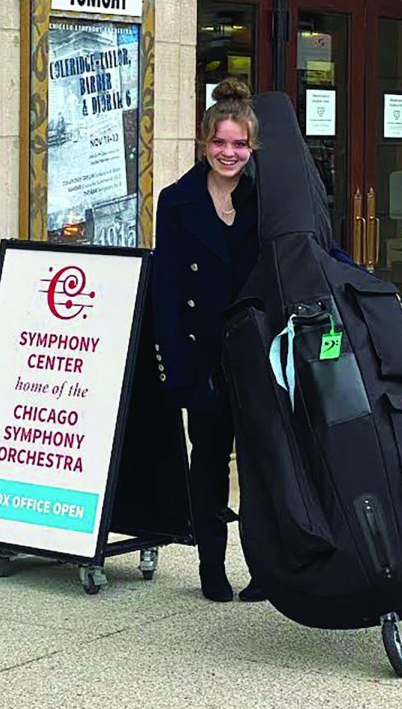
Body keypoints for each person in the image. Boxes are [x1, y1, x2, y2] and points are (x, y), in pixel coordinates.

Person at [152, 78, 265, 603]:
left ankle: (268, 567)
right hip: (204, 358)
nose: (229, 153)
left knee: (268, 466)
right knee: (210, 464)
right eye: (220, 142)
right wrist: (176, 371)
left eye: (239, 144)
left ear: (252, 147)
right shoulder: (176, 202)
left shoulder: (267, 199)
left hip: (259, 355)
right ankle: (211, 567)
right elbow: (167, 291)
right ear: (204, 143)